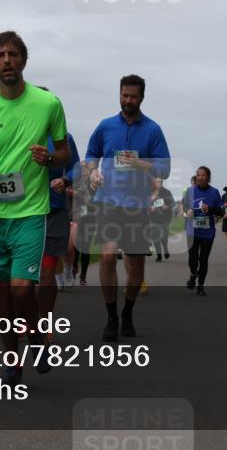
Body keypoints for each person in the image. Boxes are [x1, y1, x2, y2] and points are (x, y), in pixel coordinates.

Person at [0, 31, 69, 386]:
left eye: (13, 54)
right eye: (0, 55)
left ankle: (35, 336)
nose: (7, 60)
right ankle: (11, 364)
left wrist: (50, 157)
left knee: (22, 288)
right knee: (2, 294)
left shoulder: (48, 104)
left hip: (30, 213)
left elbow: (64, 153)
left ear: (24, 60)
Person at [85, 74, 170, 341]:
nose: (128, 100)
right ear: (119, 94)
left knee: (135, 266)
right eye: (124, 95)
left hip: (136, 205)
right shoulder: (105, 126)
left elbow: (164, 167)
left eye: (133, 96)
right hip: (108, 201)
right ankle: (111, 316)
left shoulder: (153, 130)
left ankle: (128, 311)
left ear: (142, 98)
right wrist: (91, 174)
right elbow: (90, 156)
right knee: (108, 257)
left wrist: (141, 164)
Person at [38, 125, 80, 324]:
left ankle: (43, 324)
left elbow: (76, 167)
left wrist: (65, 179)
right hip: (19, 213)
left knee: (47, 272)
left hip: (53, 212)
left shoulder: (63, 138)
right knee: (21, 275)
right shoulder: (16, 131)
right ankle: (23, 319)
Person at [185, 166, 224, 296]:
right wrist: (187, 211)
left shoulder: (214, 192)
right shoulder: (190, 191)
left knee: (203, 259)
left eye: (203, 175)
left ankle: (200, 286)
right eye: (198, 175)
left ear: (208, 177)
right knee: (192, 259)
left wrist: (210, 209)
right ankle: (193, 274)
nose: (200, 177)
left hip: (208, 232)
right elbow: (184, 206)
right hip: (192, 231)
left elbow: (221, 211)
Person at [149, 177, 175, 262]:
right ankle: (159, 255)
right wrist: (150, 208)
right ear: (154, 183)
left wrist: (167, 206)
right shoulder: (150, 192)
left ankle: (165, 248)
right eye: (157, 181)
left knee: (164, 237)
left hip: (165, 218)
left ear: (162, 182)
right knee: (155, 237)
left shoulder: (167, 192)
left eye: (160, 181)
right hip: (153, 219)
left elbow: (173, 203)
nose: (159, 183)